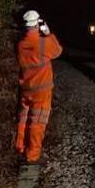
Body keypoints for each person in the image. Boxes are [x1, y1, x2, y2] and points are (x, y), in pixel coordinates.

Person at [14, 10, 63, 163]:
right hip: (41, 91)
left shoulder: (21, 45)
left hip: (26, 90)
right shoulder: (42, 43)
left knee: (23, 119)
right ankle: (32, 156)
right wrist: (48, 33)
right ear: (37, 24)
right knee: (37, 123)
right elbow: (58, 51)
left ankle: (19, 147)